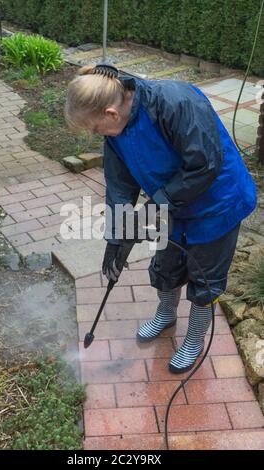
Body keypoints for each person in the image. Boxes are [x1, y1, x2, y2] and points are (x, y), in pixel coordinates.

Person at [65, 64, 257, 374]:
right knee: (166, 263)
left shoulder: (175, 102)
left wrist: (155, 207)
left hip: (217, 203)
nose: (95, 134)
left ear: (111, 113)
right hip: (171, 203)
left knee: (204, 278)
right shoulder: (116, 131)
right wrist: (118, 237)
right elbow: (119, 185)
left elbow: (204, 165)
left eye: (95, 128)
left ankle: (194, 340)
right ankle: (166, 313)